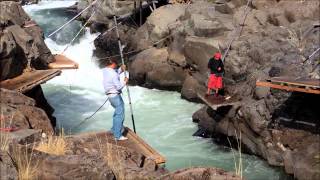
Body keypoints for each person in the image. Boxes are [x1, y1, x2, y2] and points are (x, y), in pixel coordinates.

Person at [102, 59, 128, 141]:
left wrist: (121, 69)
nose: (116, 65)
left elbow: (115, 72)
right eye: (116, 64)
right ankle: (118, 135)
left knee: (116, 113)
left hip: (110, 97)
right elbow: (119, 87)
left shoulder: (105, 70)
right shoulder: (113, 74)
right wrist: (125, 82)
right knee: (120, 115)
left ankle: (113, 129)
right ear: (112, 64)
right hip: (115, 96)